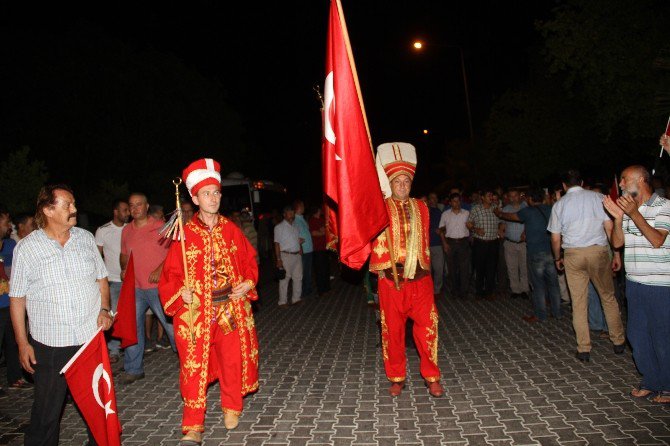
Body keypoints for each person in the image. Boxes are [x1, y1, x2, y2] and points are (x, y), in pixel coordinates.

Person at [159, 158, 259, 444]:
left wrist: (247, 282)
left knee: (231, 360)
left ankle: (231, 406)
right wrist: (181, 292)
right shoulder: (184, 234)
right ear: (194, 197)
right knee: (192, 369)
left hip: (230, 308)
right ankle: (193, 426)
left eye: (216, 192)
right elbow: (169, 276)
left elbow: (249, 261)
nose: (213, 198)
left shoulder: (231, 229)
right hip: (196, 313)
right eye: (206, 193)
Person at [9, 184, 113, 445]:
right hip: (50, 343)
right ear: (48, 210)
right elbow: (17, 299)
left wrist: (104, 309)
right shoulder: (27, 248)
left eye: (74, 203)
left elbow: (102, 279)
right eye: (68, 205)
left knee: (97, 406)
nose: (74, 209)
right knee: (46, 412)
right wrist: (22, 344)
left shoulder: (86, 239)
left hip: (88, 340)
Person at [369, 142, 443, 398]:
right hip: (391, 281)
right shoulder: (379, 207)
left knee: (427, 327)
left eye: (406, 181)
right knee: (393, 330)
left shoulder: (422, 207)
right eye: (397, 181)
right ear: (389, 183)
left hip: (420, 280)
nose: (402, 185)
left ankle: (431, 376)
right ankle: (397, 376)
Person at [604, 165, 670, 404]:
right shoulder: (631, 209)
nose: (620, 184)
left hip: (661, 284)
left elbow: (657, 240)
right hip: (634, 282)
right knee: (637, 335)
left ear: (641, 180)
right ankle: (651, 381)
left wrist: (634, 214)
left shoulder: (664, 206)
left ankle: (668, 385)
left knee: (662, 336)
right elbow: (618, 243)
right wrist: (619, 219)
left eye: (624, 179)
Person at [547, 169, 625, 362]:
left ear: (564, 186)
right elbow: (609, 228)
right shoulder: (598, 198)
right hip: (597, 252)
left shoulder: (559, 205)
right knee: (607, 296)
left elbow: (555, 238)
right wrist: (615, 253)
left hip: (573, 254)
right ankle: (618, 341)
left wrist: (558, 258)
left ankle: (583, 348)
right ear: (581, 183)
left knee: (579, 302)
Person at [119, 192, 175, 384]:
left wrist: (161, 269)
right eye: (131, 205)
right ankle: (134, 369)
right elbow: (124, 254)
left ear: (147, 206)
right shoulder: (126, 230)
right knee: (132, 328)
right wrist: (123, 268)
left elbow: (175, 252)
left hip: (157, 287)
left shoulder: (160, 226)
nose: (135, 209)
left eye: (139, 205)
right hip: (135, 287)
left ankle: (188, 359)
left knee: (171, 325)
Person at [496, 189, 561, 322]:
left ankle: (540, 315)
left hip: (535, 252)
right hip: (550, 251)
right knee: (553, 284)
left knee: (538, 285)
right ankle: (557, 313)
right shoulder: (551, 209)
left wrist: (499, 213)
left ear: (530, 199)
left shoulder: (528, 211)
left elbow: (511, 217)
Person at [94, 199, 130, 362]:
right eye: (124, 210)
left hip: (131, 280)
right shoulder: (103, 230)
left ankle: (131, 346)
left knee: (131, 314)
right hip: (113, 280)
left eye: (128, 210)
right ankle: (114, 350)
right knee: (114, 315)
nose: (128, 213)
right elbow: (96, 256)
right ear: (116, 212)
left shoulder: (131, 228)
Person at [1, 208, 31, 393]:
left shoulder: (11, 245)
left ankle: (15, 377)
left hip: (8, 301)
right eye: (5, 223)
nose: (9, 226)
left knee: (12, 341)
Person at [467, 190, 503, 300]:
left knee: (491, 268)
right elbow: (468, 223)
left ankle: (489, 292)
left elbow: (501, 221)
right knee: (480, 268)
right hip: (480, 243)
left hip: (493, 243)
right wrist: (475, 229)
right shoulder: (476, 209)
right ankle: (479, 292)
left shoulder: (495, 208)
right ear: (482, 197)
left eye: (492, 195)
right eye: (489, 195)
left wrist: (501, 228)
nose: (491, 197)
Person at [438, 193, 471, 299]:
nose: (457, 203)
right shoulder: (445, 214)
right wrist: (444, 243)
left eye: (458, 201)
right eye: (454, 201)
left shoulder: (467, 213)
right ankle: (454, 290)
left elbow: (471, 227)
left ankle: (464, 292)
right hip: (450, 243)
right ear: (450, 203)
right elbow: (441, 230)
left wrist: (472, 227)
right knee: (452, 268)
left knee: (464, 269)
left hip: (463, 242)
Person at [500, 189, 529, 299]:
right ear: (508, 197)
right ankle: (515, 290)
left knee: (524, 267)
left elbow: (530, 222)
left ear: (519, 196)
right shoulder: (506, 209)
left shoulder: (525, 207)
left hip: (523, 243)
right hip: (510, 242)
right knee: (511, 267)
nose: (513, 198)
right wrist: (501, 231)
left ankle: (524, 290)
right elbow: (503, 224)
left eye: (515, 195)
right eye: (511, 196)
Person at [274, 206, 303, 307]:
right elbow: (277, 244)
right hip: (285, 255)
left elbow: (297, 239)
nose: (291, 214)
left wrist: (300, 249)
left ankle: (296, 299)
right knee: (284, 279)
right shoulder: (279, 227)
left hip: (296, 255)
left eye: (292, 212)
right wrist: (278, 259)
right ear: (284, 214)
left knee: (298, 278)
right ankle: (282, 301)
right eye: (289, 212)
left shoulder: (295, 226)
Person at [293, 200, 314, 298]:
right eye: (302, 206)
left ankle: (308, 289)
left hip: (309, 249)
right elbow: (296, 236)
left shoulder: (302, 219)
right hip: (303, 250)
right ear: (298, 207)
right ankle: (304, 291)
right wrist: (300, 248)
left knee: (308, 271)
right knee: (304, 271)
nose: (304, 208)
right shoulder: (295, 221)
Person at [309, 206, 331, 296]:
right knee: (320, 270)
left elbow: (327, 230)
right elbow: (313, 233)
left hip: (325, 248)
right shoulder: (312, 220)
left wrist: (323, 232)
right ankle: (321, 290)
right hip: (317, 249)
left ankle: (327, 288)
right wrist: (322, 233)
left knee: (326, 269)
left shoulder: (322, 219)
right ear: (317, 210)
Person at [427, 192, 445, 296]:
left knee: (439, 269)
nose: (432, 200)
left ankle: (437, 289)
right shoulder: (423, 211)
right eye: (431, 198)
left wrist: (441, 230)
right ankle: (428, 290)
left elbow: (443, 227)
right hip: (426, 246)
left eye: (434, 198)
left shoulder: (439, 212)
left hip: (437, 244)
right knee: (427, 271)